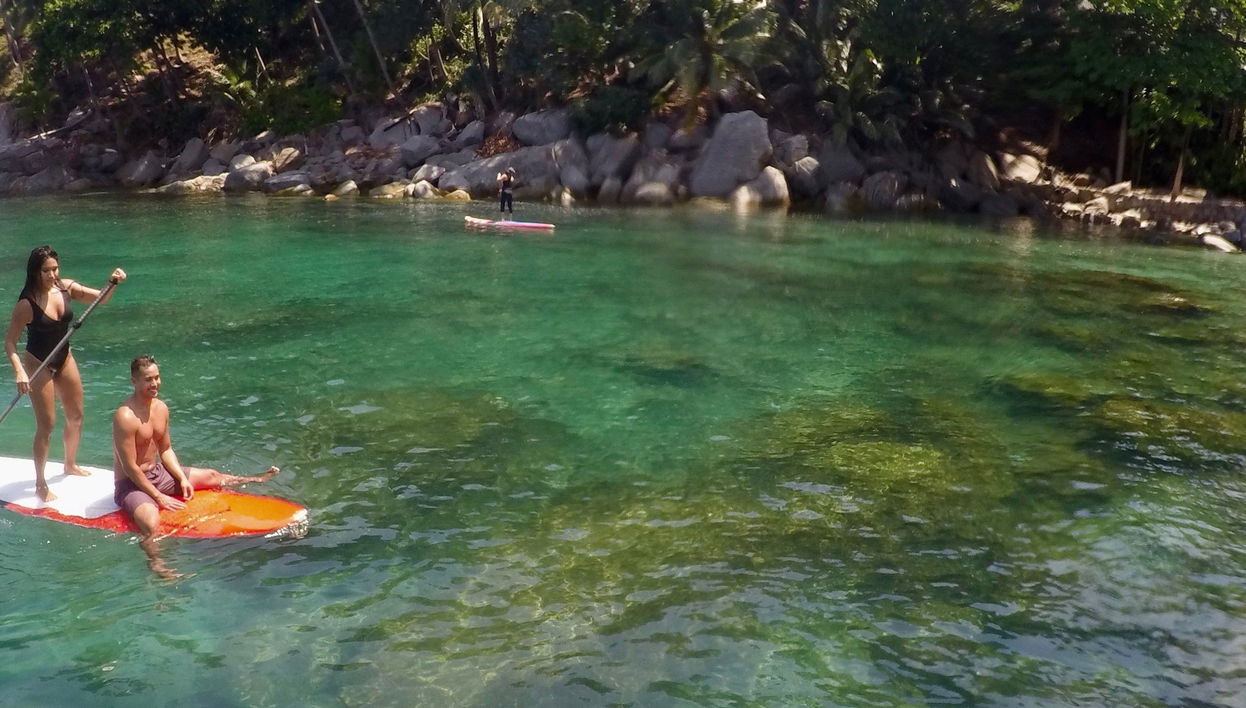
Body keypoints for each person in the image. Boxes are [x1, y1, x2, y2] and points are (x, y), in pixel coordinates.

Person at [114, 355, 279, 577]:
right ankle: (157, 564)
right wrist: (159, 497)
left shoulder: (161, 408)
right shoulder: (125, 416)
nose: (154, 384)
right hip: (131, 484)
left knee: (210, 476)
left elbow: (166, 450)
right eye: (148, 380)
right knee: (152, 524)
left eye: (157, 378)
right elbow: (130, 466)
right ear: (134, 381)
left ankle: (253, 479)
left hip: (157, 473)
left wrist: (181, 478)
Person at [4, 245, 126, 502]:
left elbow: (101, 298)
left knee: (76, 415)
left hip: (64, 356)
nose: (52, 274)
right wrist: (20, 373)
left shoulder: (66, 288)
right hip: (38, 363)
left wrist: (112, 282)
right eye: (46, 270)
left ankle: (69, 464)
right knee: (47, 425)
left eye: (55, 268)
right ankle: (40, 482)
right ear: (35, 272)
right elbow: (10, 344)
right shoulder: (27, 304)